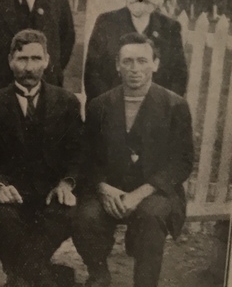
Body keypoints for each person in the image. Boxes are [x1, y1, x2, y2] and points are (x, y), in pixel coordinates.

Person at [73, 33, 194, 287]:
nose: (135, 69)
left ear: (155, 64)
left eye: (142, 61)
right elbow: (87, 157)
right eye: (127, 61)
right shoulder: (100, 106)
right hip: (111, 190)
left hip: (155, 191)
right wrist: (102, 188)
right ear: (117, 65)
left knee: (151, 216)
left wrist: (140, 194)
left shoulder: (175, 106)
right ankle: (98, 273)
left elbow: (181, 161)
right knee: (86, 215)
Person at [0, 29, 83, 287]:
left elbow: (78, 152)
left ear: (47, 60)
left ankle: (19, 277)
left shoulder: (67, 102)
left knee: (66, 212)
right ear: (10, 61)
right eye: (22, 59)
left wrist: (67, 183)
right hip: (12, 194)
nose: (29, 67)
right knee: (2, 219)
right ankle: (48, 277)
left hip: (50, 191)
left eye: (36, 59)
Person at [84, 0, 188, 101]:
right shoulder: (106, 22)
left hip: (156, 115)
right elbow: (93, 75)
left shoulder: (170, 28)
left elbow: (178, 78)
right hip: (112, 112)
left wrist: (160, 110)